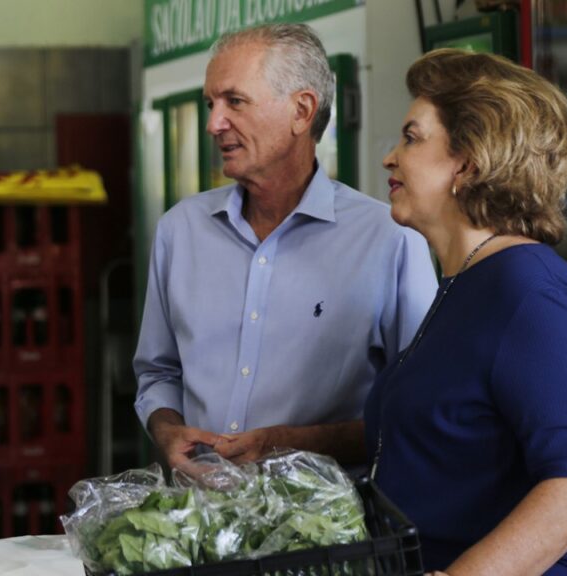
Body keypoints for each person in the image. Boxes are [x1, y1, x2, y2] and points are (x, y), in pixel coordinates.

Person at [134, 23, 438, 472]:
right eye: (211, 104)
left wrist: (289, 445)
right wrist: (166, 429)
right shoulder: (180, 231)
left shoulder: (390, 241)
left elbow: (420, 411)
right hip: (197, 522)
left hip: (328, 533)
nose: (213, 123)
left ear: (301, 111)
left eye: (234, 101)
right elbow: (158, 372)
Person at [365, 49, 567, 575]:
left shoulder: (533, 294)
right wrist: (279, 443)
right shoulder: (467, 280)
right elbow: (444, 425)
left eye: (412, 138)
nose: (391, 157)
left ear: (469, 163)